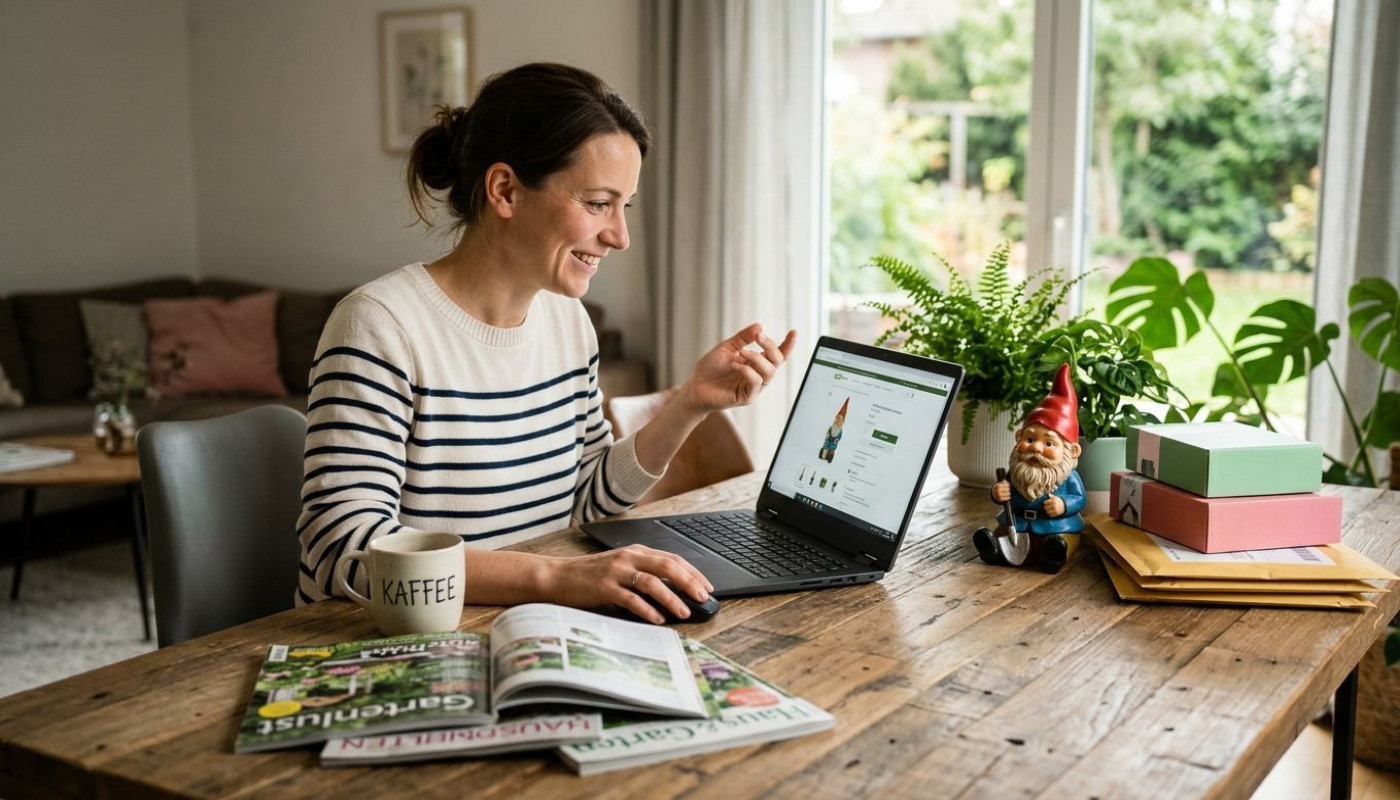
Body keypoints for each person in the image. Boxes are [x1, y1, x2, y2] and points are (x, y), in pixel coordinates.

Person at [296, 63, 797, 624]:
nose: (620, 236)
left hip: (525, 626)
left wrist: (689, 404)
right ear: (505, 190)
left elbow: (587, 499)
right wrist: (556, 579)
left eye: (623, 206)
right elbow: (344, 546)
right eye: (597, 203)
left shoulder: (567, 321)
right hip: (385, 645)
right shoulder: (380, 325)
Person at [972, 363, 1085, 573]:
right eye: (1030, 439)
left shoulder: (1069, 477)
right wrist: (997, 493)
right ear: (1018, 438)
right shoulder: (1017, 472)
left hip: (1056, 527)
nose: (1036, 448)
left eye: (1049, 444)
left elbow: (1079, 498)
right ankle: (994, 550)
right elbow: (1005, 492)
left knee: (1063, 542)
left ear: (1073, 451)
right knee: (1000, 534)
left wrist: (1063, 505)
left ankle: (1054, 556)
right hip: (1018, 523)